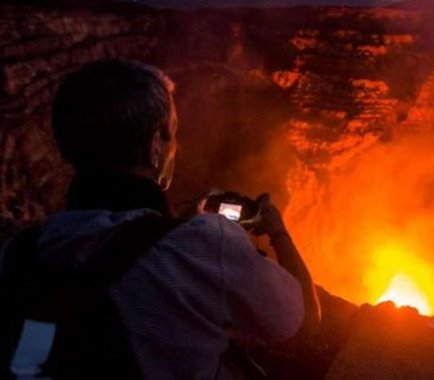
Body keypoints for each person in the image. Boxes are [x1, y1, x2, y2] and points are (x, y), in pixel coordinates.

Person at [0, 60, 320, 379]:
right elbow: (302, 321)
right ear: (155, 145)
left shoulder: (20, 255)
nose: (175, 148)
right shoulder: (205, 244)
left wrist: (173, 224)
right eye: (173, 133)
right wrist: (278, 231)